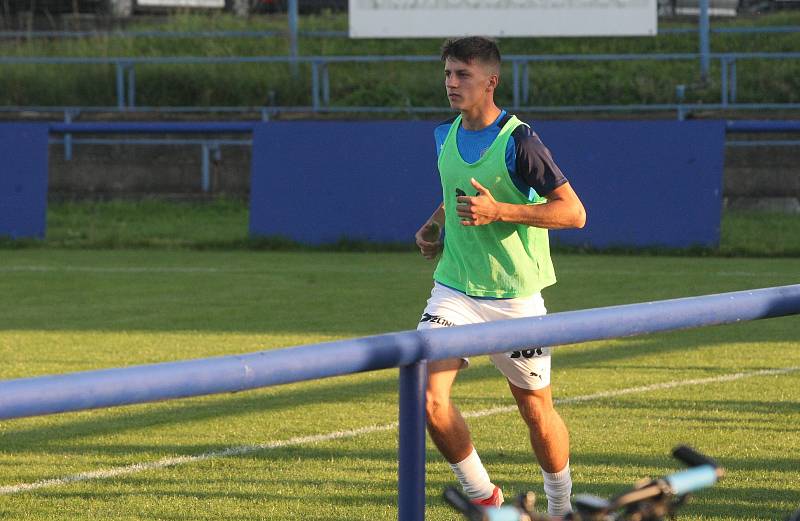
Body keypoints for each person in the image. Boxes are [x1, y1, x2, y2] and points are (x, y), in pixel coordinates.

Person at [414, 36, 586, 517]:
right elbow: (457, 193)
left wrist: (500, 212)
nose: (451, 83)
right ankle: (484, 498)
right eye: (447, 73)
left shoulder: (520, 141)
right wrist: (436, 224)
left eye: (462, 74)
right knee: (429, 397)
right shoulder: (443, 134)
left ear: (491, 81)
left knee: (536, 411)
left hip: (515, 299)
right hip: (455, 291)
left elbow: (573, 213)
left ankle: (560, 507)